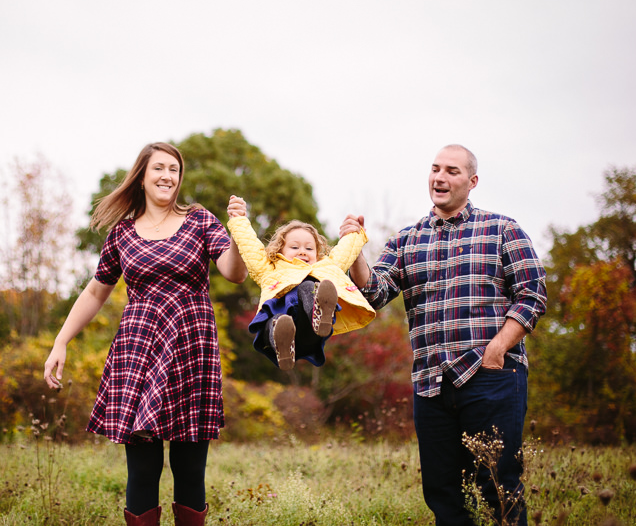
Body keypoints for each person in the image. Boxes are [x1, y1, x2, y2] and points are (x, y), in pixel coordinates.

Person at [341, 144, 547, 526]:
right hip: (430, 384)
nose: (440, 177)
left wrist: (498, 349)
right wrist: (355, 248)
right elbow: (375, 293)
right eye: (435, 169)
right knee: (442, 492)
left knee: (498, 487)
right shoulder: (406, 239)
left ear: (472, 182)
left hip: (491, 377)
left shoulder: (502, 228)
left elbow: (532, 295)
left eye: (452, 171)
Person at [43, 142, 247, 526]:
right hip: (138, 353)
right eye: (159, 168)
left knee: (189, 471)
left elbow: (234, 273)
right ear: (142, 175)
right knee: (142, 470)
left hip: (191, 350)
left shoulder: (201, 220)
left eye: (174, 169)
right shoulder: (122, 233)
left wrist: (238, 232)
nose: (168, 175)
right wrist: (61, 340)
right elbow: (95, 291)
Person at [226, 195, 375, 370]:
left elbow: (345, 251)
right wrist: (239, 219)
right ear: (279, 250)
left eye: (309, 248)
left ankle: (320, 315)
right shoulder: (269, 269)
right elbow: (250, 247)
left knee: (310, 286)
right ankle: (283, 344)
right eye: (295, 247)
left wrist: (356, 234)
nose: (303, 252)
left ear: (318, 253)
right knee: (277, 321)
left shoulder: (326, 267)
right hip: (277, 331)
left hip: (310, 331)